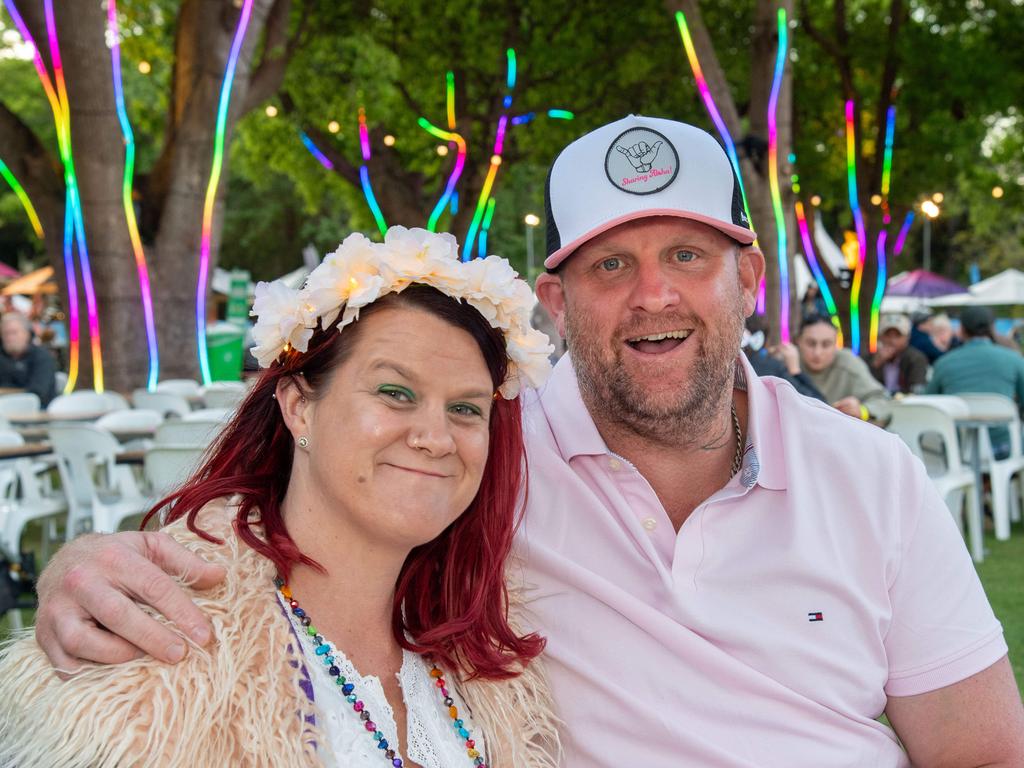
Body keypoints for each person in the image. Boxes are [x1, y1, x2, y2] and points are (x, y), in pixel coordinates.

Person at [27, 116, 1024, 766]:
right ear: (553, 300)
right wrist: (90, 562)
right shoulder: (478, 453)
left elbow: (980, 752)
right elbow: (308, 492)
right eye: (608, 265)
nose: (653, 294)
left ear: (748, 279)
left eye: (688, 254)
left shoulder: (871, 474)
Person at [0, 227, 559, 767]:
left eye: (465, 409)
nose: (436, 439)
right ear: (298, 407)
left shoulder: (487, 655)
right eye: (395, 392)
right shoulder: (156, 657)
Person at [927, 304, 1024, 460]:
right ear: (993, 328)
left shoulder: (944, 363)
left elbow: (929, 404)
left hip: (959, 450)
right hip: (1004, 449)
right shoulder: (1014, 359)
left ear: (962, 331)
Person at [796, 313, 893, 422]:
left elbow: (883, 401)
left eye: (826, 344)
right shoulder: (785, 362)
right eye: (811, 344)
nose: (818, 352)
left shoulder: (848, 362)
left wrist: (862, 411)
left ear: (836, 345)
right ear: (798, 342)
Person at [742, 314, 825, 401]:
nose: (817, 352)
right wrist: (795, 370)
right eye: (811, 343)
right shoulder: (771, 366)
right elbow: (818, 403)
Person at [0, 311, 57, 405]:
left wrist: (6, 393)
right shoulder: (2, 356)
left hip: (39, 413)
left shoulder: (42, 356)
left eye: (14, 333)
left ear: (27, 334)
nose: (10, 338)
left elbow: (38, 393)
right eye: (6, 333)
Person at [868, 313, 930, 395]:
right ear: (880, 337)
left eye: (897, 336)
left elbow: (916, 389)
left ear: (907, 338)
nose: (892, 340)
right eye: (888, 335)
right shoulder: (871, 358)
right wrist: (876, 365)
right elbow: (865, 388)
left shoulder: (915, 358)